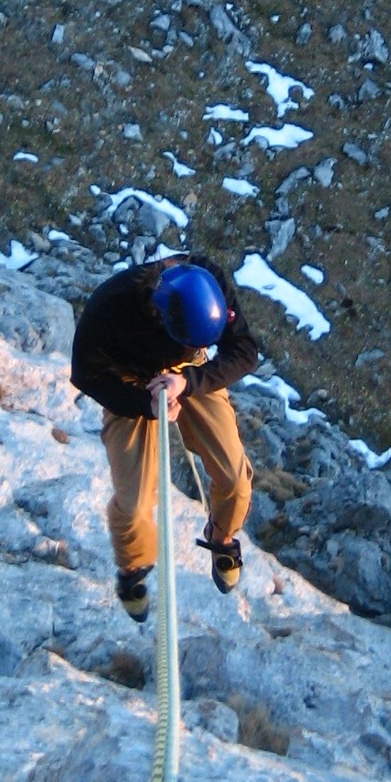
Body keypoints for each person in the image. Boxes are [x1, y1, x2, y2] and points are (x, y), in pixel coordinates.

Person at [70, 253, 258, 620]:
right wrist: (144, 403)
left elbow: (245, 351)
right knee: (135, 501)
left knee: (235, 478)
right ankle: (133, 566)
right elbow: (86, 374)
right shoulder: (109, 307)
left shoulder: (210, 283)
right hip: (131, 380)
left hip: (189, 373)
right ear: (159, 315)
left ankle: (221, 537)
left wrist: (188, 382)